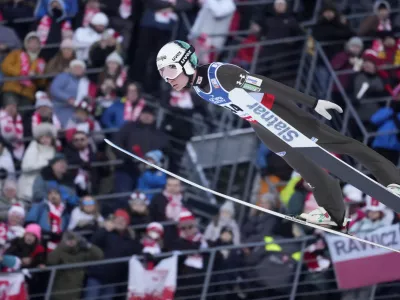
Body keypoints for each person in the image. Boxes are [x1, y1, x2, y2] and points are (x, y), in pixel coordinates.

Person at [156, 40, 400, 230]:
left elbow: (264, 85)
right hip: (261, 126)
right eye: (164, 76)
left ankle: (393, 180)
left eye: (171, 71)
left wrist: (312, 102)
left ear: (187, 63)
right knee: (304, 168)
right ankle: (335, 214)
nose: (169, 80)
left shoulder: (220, 74)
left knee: (339, 143)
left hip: (278, 112)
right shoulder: (198, 89)